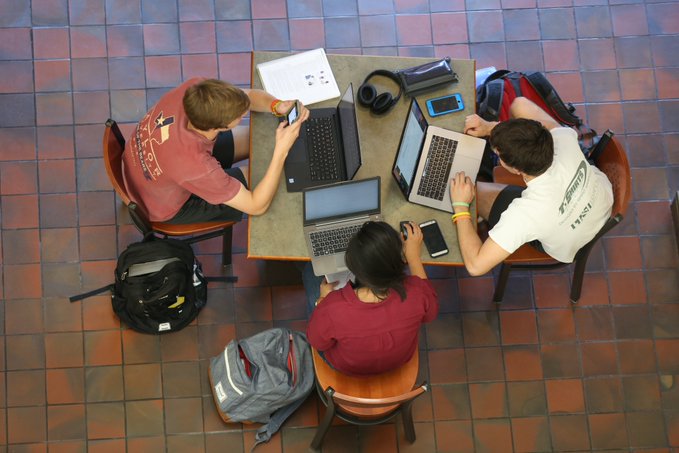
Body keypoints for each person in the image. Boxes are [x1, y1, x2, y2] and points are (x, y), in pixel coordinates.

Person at [449, 96, 614, 276]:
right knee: (519, 104)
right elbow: (521, 103)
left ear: (516, 169)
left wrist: (461, 206)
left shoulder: (524, 215)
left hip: (568, 244)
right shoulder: (563, 138)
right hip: (601, 203)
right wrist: (490, 127)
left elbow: (475, 266)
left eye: (499, 154)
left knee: (471, 190)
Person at [122, 78, 309, 224]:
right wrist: (281, 152)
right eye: (241, 116)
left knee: (261, 142)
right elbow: (256, 205)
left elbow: (248, 96)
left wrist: (276, 105)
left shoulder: (197, 92)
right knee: (261, 176)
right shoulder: (196, 165)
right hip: (160, 204)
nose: (245, 115)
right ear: (222, 126)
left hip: (155, 162)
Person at [304, 221, 439, 376]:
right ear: (400, 262)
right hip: (398, 360)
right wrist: (414, 257)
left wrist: (321, 301)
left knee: (310, 272)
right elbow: (430, 314)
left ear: (355, 270)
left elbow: (317, 342)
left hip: (347, 367)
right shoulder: (417, 292)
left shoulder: (331, 308)